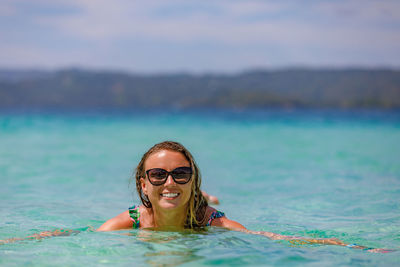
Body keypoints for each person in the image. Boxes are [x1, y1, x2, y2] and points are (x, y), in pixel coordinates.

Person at [0, 141, 392, 252]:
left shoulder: (212, 223)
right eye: (158, 174)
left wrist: (353, 247)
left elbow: (275, 240)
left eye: (180, 173)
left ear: (192, 178)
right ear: (142, 183)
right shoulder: (130, 221)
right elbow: (76, 237)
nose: (169, 180)